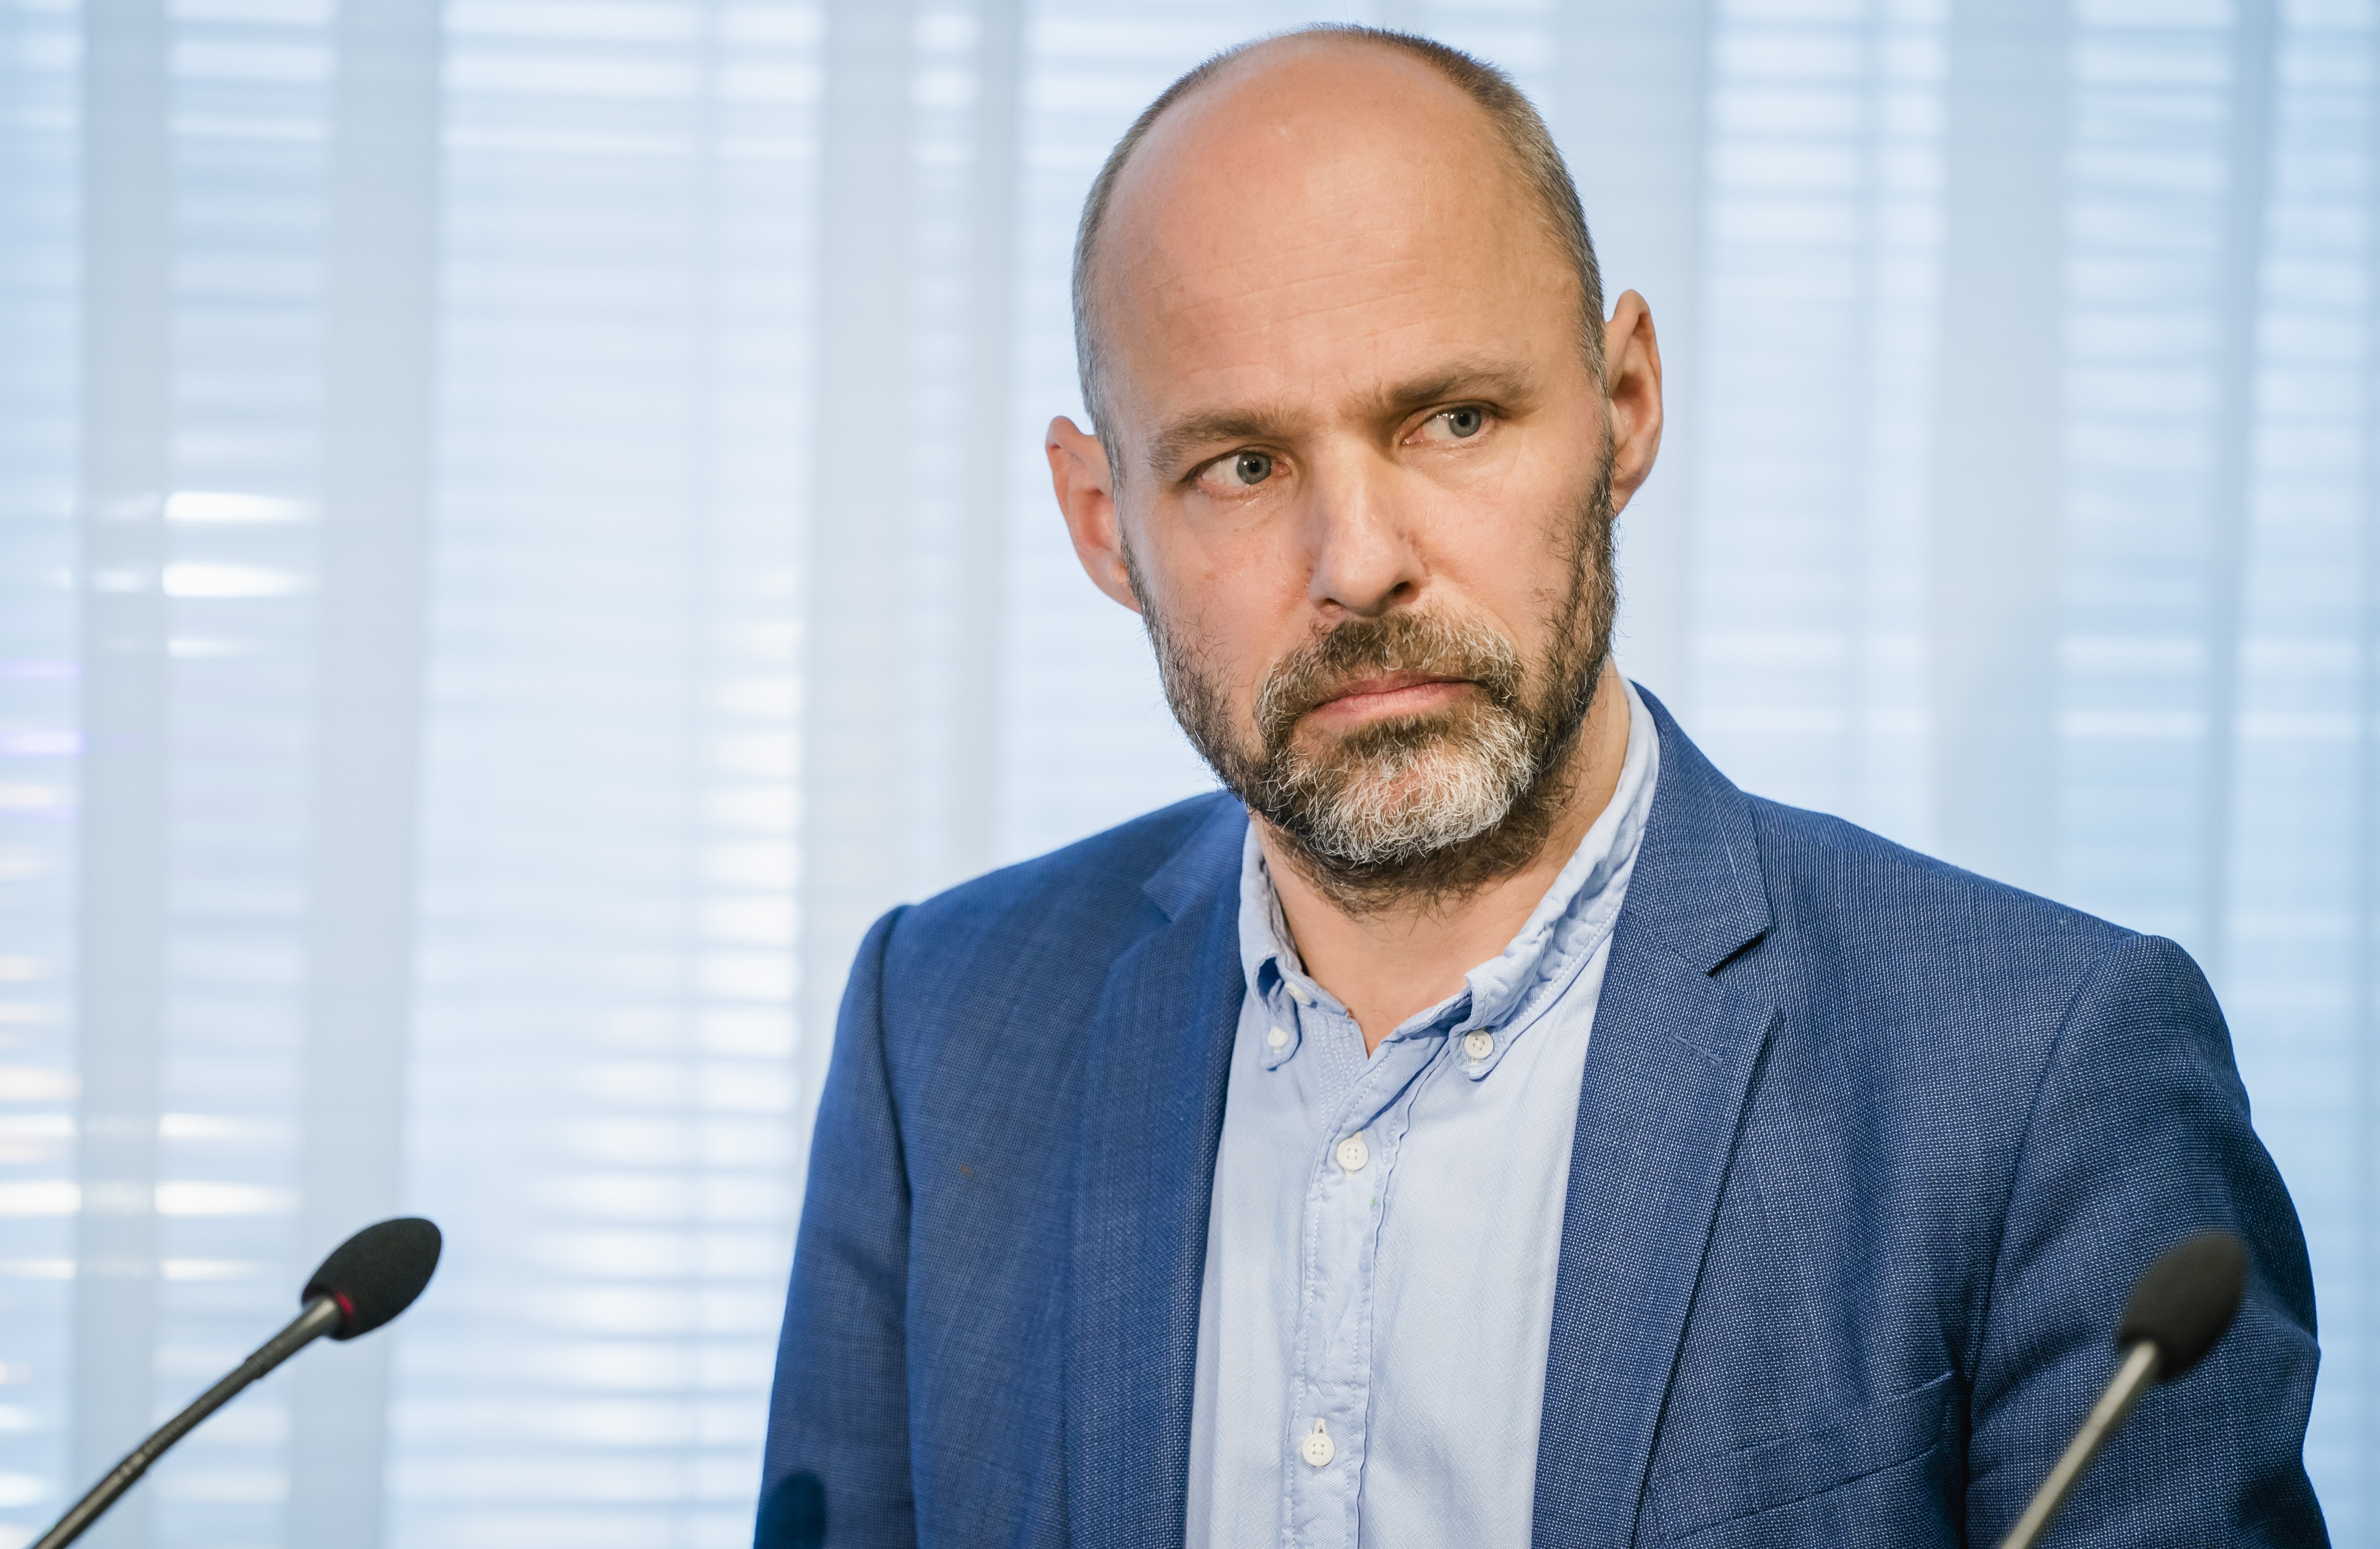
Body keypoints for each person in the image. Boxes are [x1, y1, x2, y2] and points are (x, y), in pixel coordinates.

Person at [756, 25, 2324, 1549]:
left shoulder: (2039, 1074)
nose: (1357, 564)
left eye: (1451, 419)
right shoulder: (941, 1026)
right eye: (1241, 464)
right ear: (1103, 523)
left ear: (1623, 403)